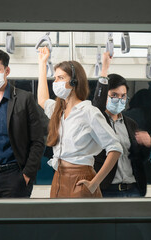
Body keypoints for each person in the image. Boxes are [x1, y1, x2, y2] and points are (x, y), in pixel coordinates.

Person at [37, 47, 123, 198]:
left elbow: (115, 149)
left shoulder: (88, 112)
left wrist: (95, 183)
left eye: (61, 78)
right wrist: (42, 64)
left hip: (80, 177)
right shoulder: (59, 111)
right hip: (58, 176)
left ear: (75, 81)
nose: (56, 82)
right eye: (55, 78)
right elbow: (42, 100)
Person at [0, 48, 46, 198]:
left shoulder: (24, 99)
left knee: (13, 220)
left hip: (14, 175)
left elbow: (38, 140)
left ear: (7, 71)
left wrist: (27, 174)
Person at [93, 51, 151, 197]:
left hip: (133, 189)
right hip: (107, 189)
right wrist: (104, 70)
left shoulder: (131, 124)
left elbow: (137, 158)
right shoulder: (97, 119)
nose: (119, 99)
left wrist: (146, 145)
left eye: (123, 96)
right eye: (114, 95)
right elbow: (97, 104)